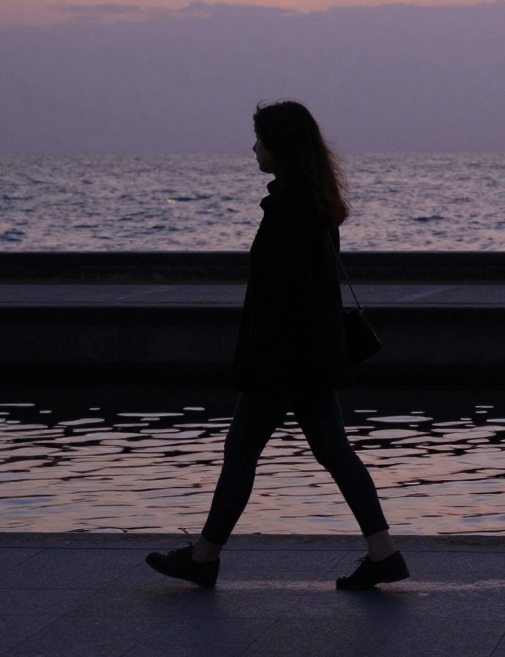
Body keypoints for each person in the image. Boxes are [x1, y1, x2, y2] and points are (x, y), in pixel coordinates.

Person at [146, 101, 407, 589]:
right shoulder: (313, 203)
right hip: (312, 356)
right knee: (333, 451)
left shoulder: (289, 211)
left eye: (260, 139)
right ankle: (382, 551)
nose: (253, 148)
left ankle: (204, 557)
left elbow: (283, 297)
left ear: (280, 147)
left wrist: (257, 360)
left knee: (241, 452)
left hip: (284, 361)